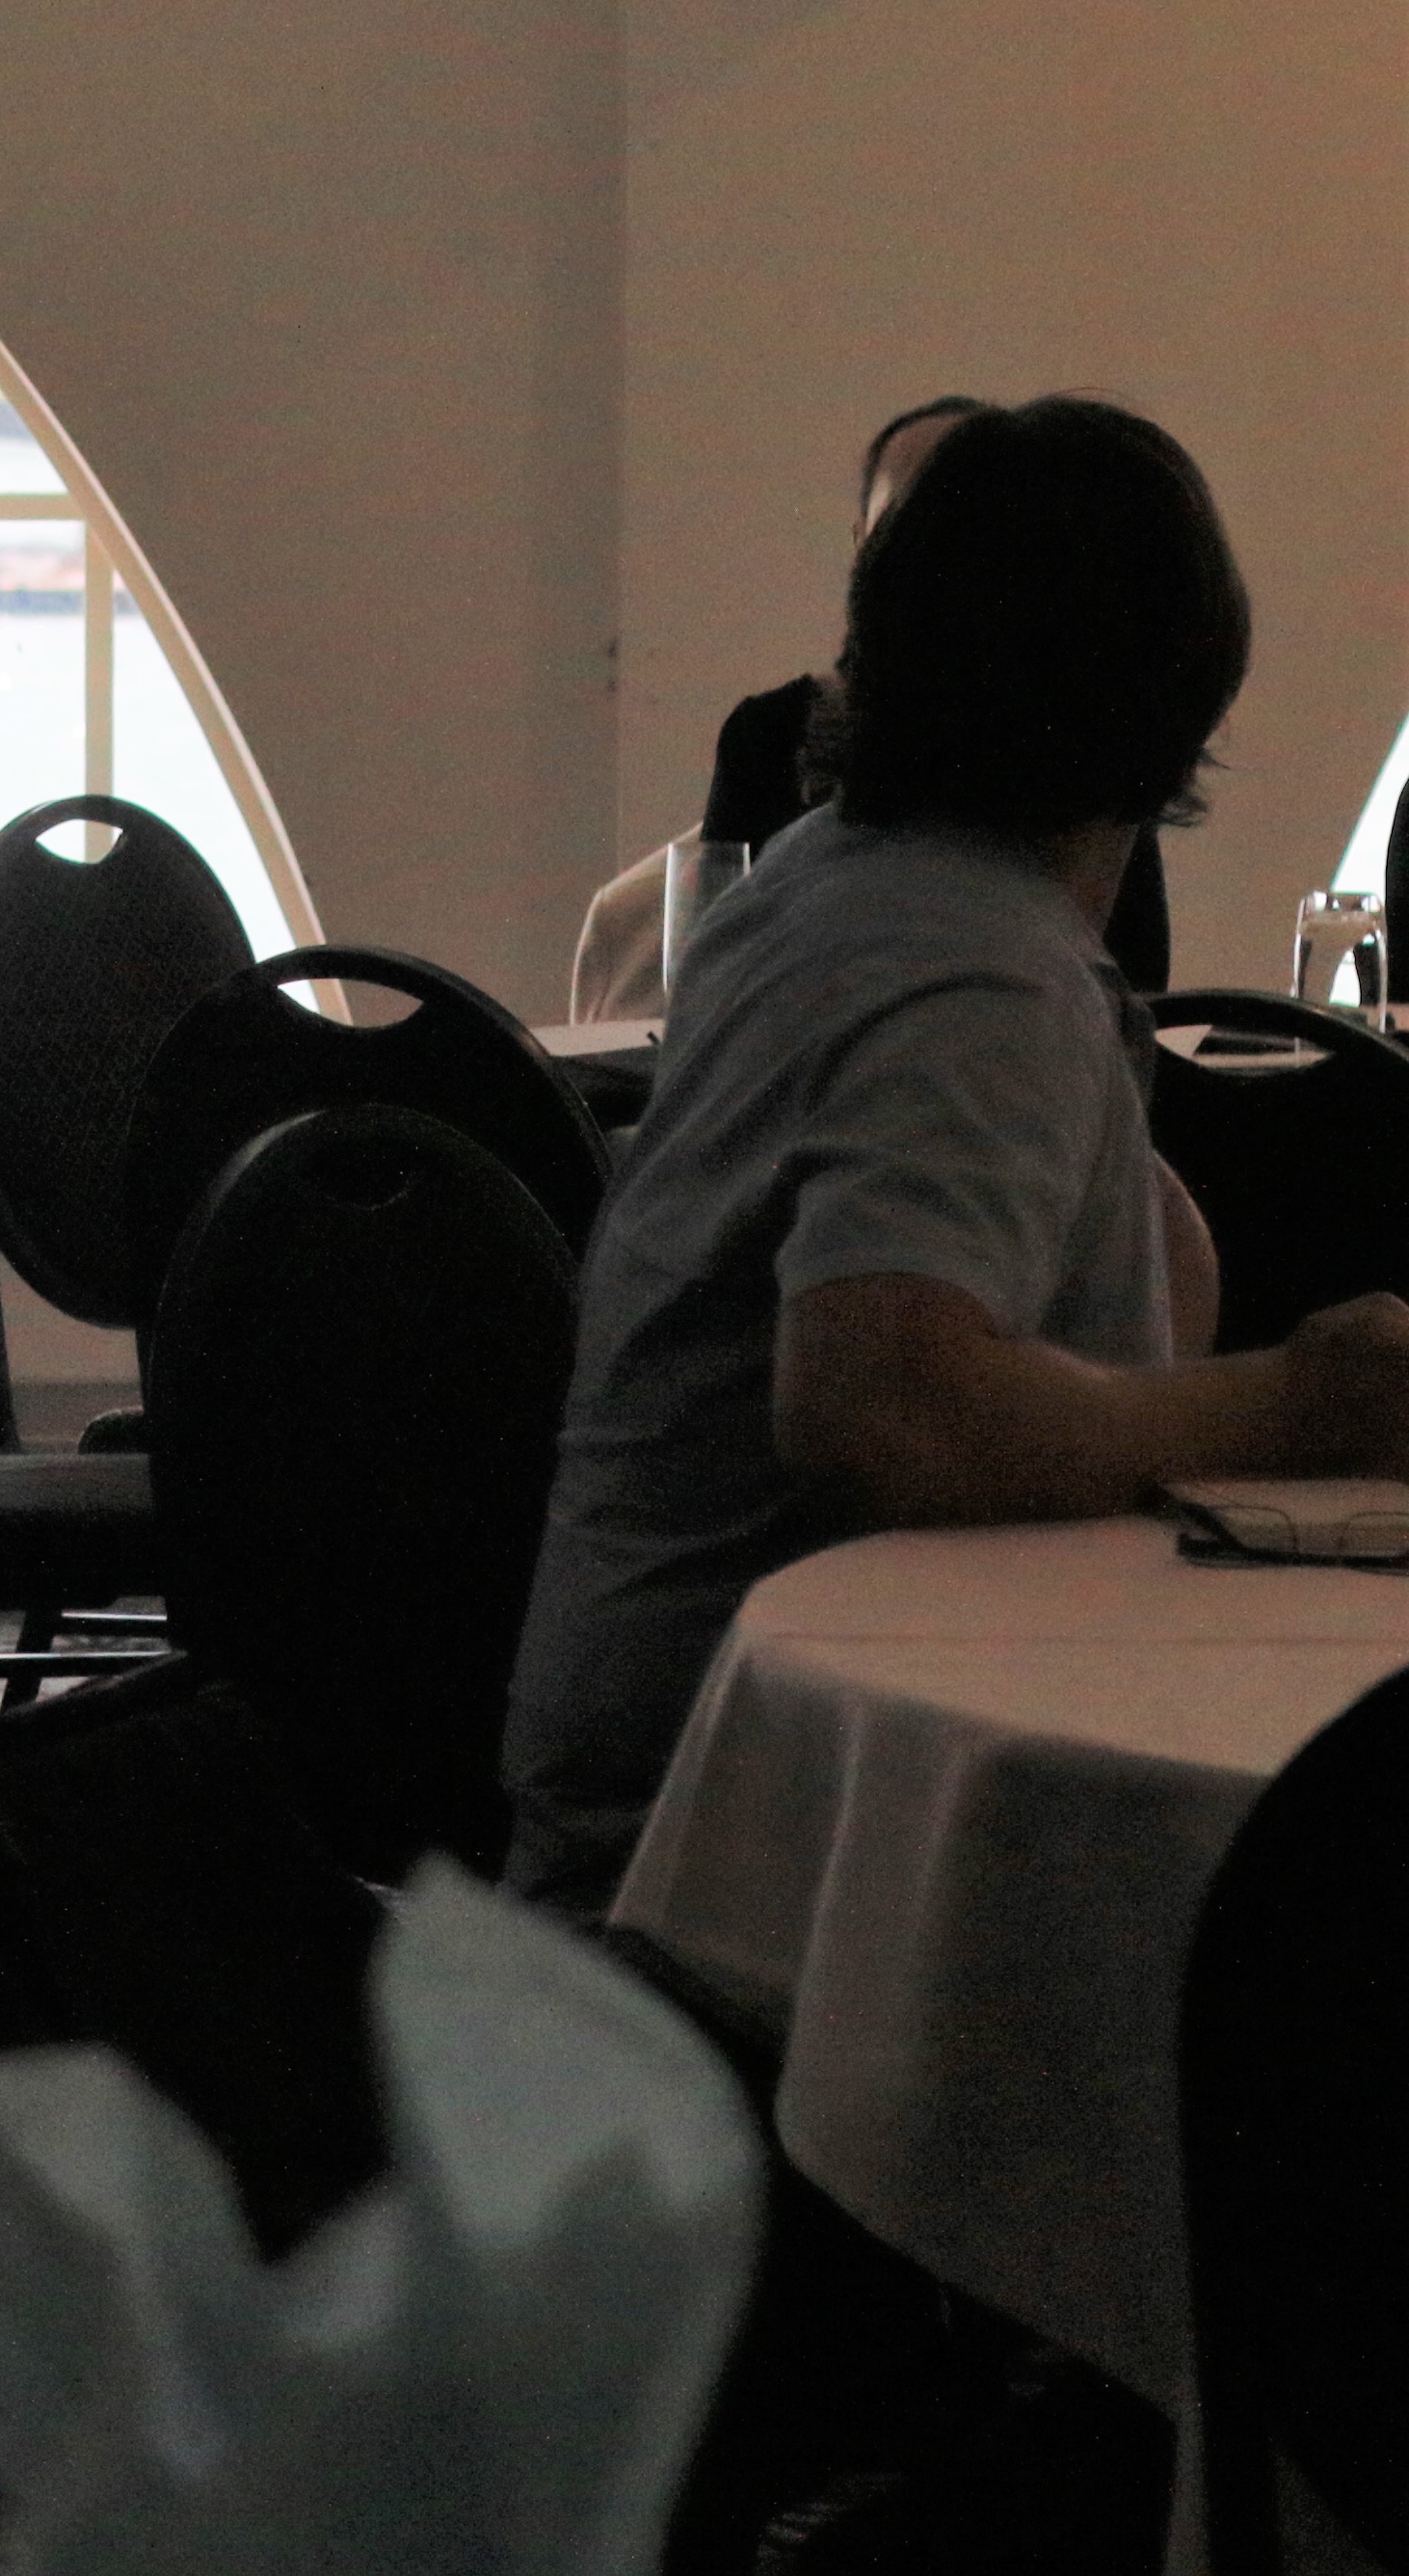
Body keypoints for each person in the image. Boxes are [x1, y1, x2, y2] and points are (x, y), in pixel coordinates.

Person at [500, 395, 1409, 1918]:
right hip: (738, 1868)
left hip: (667, 1781)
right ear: (1186, 698)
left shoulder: (820, 886)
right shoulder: (976, 971)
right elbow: (882, 1409)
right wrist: (1307, 1406)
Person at [566, 395, 1167, 1019]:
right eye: (907, 532)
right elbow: (718, 971)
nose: (931, 565)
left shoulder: (1081, 741)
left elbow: (1136, 984)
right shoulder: (774, 737)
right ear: (863, 548)